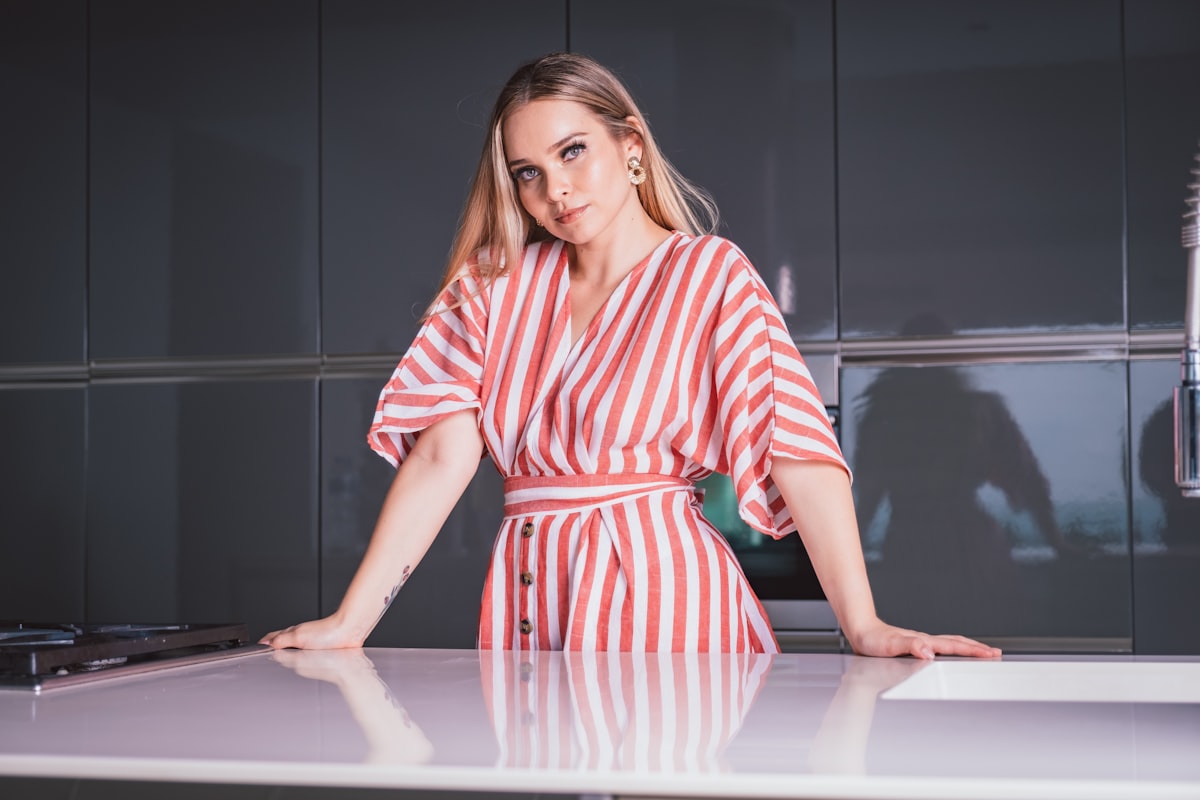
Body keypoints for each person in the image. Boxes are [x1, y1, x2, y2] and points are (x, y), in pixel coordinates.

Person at [261, 52, 1000, 659]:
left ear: (632, 146)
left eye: (572, 151)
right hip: (529, 594)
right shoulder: (491, 285)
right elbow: (437, 458)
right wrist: (350, 622)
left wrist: (863, 625)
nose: (556, 189)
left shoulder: (710, 275)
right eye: (528, 172)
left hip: (666, 605)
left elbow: (796, 451)